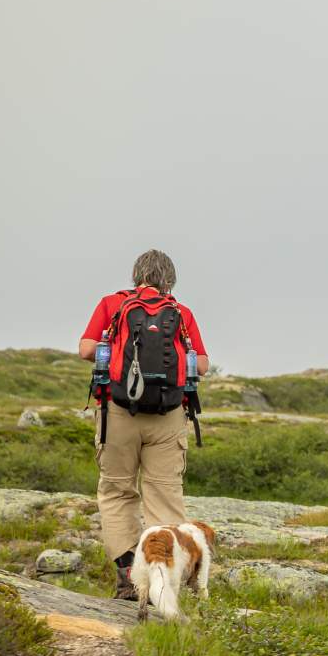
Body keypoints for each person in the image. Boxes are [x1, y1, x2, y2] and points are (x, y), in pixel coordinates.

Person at [77, 250, 209, 600]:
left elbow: (86, 349)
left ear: (136, 276)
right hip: (168, 416)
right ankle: (165, 581)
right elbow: (203, 365)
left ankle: (127, 577)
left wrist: (117, 351)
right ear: (170, 280)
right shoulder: (181, 313)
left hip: (118, 413)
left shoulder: (112, 304)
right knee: (164, 499)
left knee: (118, 492)